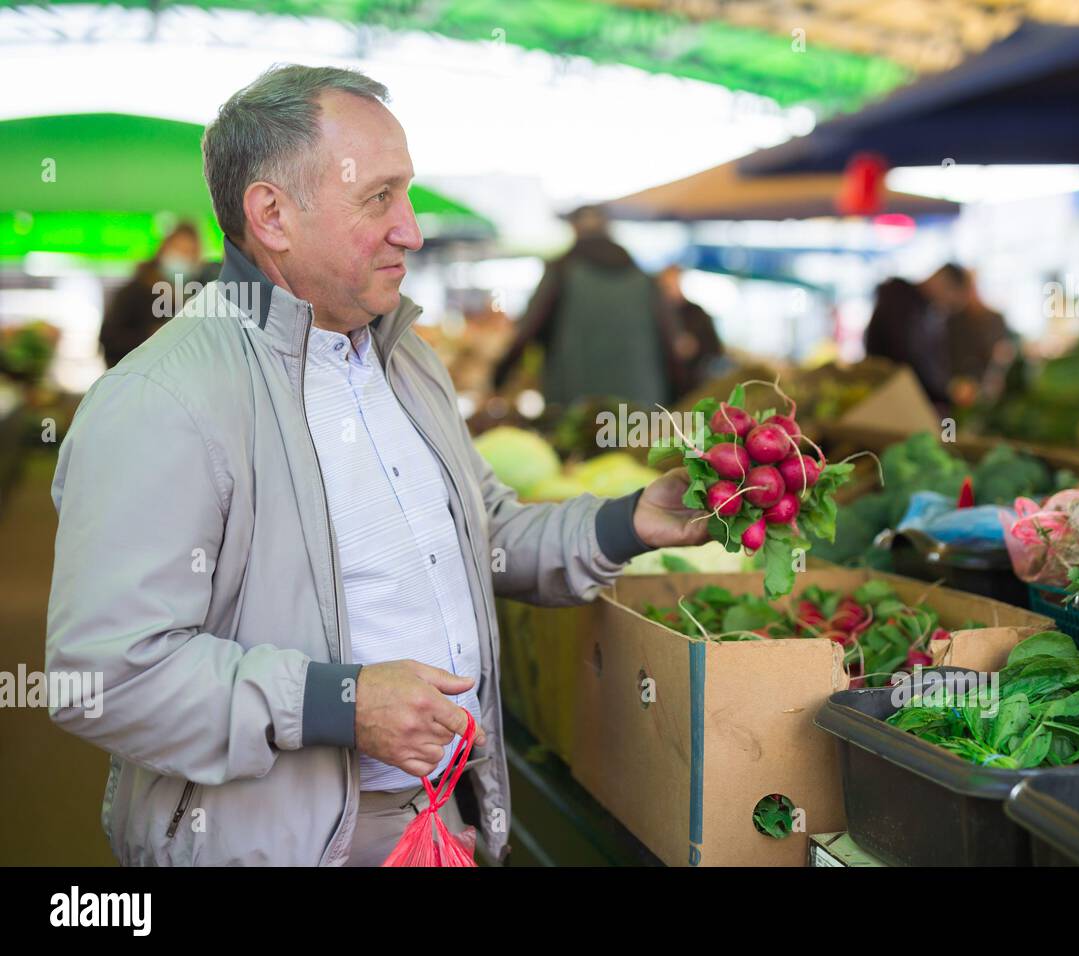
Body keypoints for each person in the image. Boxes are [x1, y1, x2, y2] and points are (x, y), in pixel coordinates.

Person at [45, 65, 711, 867]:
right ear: (272, 215)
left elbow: (487, 532)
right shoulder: (162, 400)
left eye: (408, 195)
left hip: (442, 816)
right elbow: (107, 674)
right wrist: (340, 702)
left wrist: (631, 517)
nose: (413, 230)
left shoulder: (405, 362)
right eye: (378, 198)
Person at [491, 205, 685, 406]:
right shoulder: (645, 279)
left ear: (574, 229)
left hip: (574, 407)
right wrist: (680, 395)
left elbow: (527, 330)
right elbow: (671, 344)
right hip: (642, 407)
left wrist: (499, 378)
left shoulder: (562, 272)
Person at [98, 223, 202, 368]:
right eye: (179, 250)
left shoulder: (196, 295)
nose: (184, 257)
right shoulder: (136, 291)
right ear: (164, 250)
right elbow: (109, 337)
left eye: (191, 252)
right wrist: (150, 337)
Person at [920, 263, 1010, 405]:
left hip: (984, 386)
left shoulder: (994, 318)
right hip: (955, 388)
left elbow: (1002, 353)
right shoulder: (950, 319)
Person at [863, 277, 949, 405]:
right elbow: (907, 354)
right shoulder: (905, 303)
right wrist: (939, 393)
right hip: (891, 390)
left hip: (891, 387)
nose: (943, 305)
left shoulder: (912, 303)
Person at [658, 263, 724, 395]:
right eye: (665, 286)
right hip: (664, 386)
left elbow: (716, 348)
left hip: (692, 385)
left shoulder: (697, 313)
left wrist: (694, 347)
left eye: (672, 284)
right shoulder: (657, 314)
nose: (669, 291)